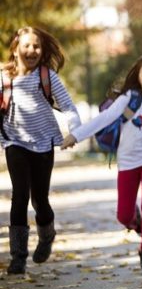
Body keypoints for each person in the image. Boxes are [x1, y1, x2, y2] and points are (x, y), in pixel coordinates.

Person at [61, 53, 142, 274]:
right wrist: (77, 135)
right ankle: (137, 224)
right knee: (123, 216)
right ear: (138, 76)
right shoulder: (129, 98)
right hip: (128, 161)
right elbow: (104, 119)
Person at [1, 27, 82, 275]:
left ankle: (46, 236)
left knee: (40, 199)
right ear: (15, 49)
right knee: (19, 196)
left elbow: (68, 106)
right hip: (14, 141)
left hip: (44, 143)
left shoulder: (47, 76)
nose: (32, 50)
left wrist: (73, 132)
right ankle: (18, 257)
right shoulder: (4, 78)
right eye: (26, 45)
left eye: (36, 46)